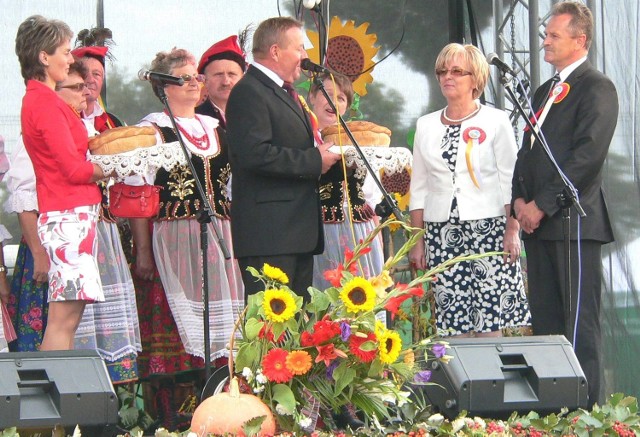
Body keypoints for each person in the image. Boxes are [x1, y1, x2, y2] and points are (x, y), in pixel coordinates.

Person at [129, 47, 244, 429]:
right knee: (176, 323)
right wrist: (143, 252)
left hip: (218, 235)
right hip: (172, 239)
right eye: (187, 78)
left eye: (197, 77)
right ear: (163, 86)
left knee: (221, 323)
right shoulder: (152, 131)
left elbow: (230, 189)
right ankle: (174, 415)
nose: (197, 83)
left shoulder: (215, 129)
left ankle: (220, 404)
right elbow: (139, 199)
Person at [511, 1, 618, 408]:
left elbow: (587, 157)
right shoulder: (543, 91)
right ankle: (551, 410)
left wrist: (542, 204)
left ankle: (588, 414)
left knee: (578, 327)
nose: (545, 42)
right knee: (547, 325)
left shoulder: (596, 86)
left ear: (580, 39)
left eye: (553, 35)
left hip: (573, 223)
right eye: (545, 35)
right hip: (538, 226)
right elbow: (527, 152)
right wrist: (518, 201)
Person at [409, 43, 531, 338]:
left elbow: (512, 180)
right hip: (442, 234)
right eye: (442, 71)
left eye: (456, 71)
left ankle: (494, 383)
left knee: (490, 321)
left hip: (490, 230)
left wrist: (512, 229)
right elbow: (419, 187)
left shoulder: (495, 120)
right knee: (452, 323)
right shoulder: (425, 125)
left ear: (475, 78)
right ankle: (461, 384)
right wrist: (417, 241)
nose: (447, 77)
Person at [226, 17, 341, 301]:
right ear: (276, 51)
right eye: (300, 48)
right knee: (272, 330)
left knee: (295, 331)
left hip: (294, 232)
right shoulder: (248, 91)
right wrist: (315, 160)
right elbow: (254, 154)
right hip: (269, 235)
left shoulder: (286, 94)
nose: (304, 56)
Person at [15, 15, 108, 351]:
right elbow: (71, 169)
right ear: (43, 56)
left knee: (69, 317)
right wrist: (110, 167)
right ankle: (49, 398)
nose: (70, 59)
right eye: (66, 52)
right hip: (66, 217)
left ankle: (57, 396)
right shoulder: (45, 102)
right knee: (62, 320)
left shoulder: (42, 99)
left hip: (71, 216)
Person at [308, 72, 384, 289]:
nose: (333, 102)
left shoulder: (360, 142)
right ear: (313, 96)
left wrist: (376, 243)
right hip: (320, 232)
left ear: (347, 105)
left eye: (341, 98)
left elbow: (371, 197)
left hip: (359, 232)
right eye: (327, 94)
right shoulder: (305, 139)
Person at [196, 35, 246, 128]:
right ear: (204, 80)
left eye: (232, 74)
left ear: (243, 78)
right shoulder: (194, 120)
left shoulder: (259, 115)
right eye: (218, 75)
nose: (226, 82)